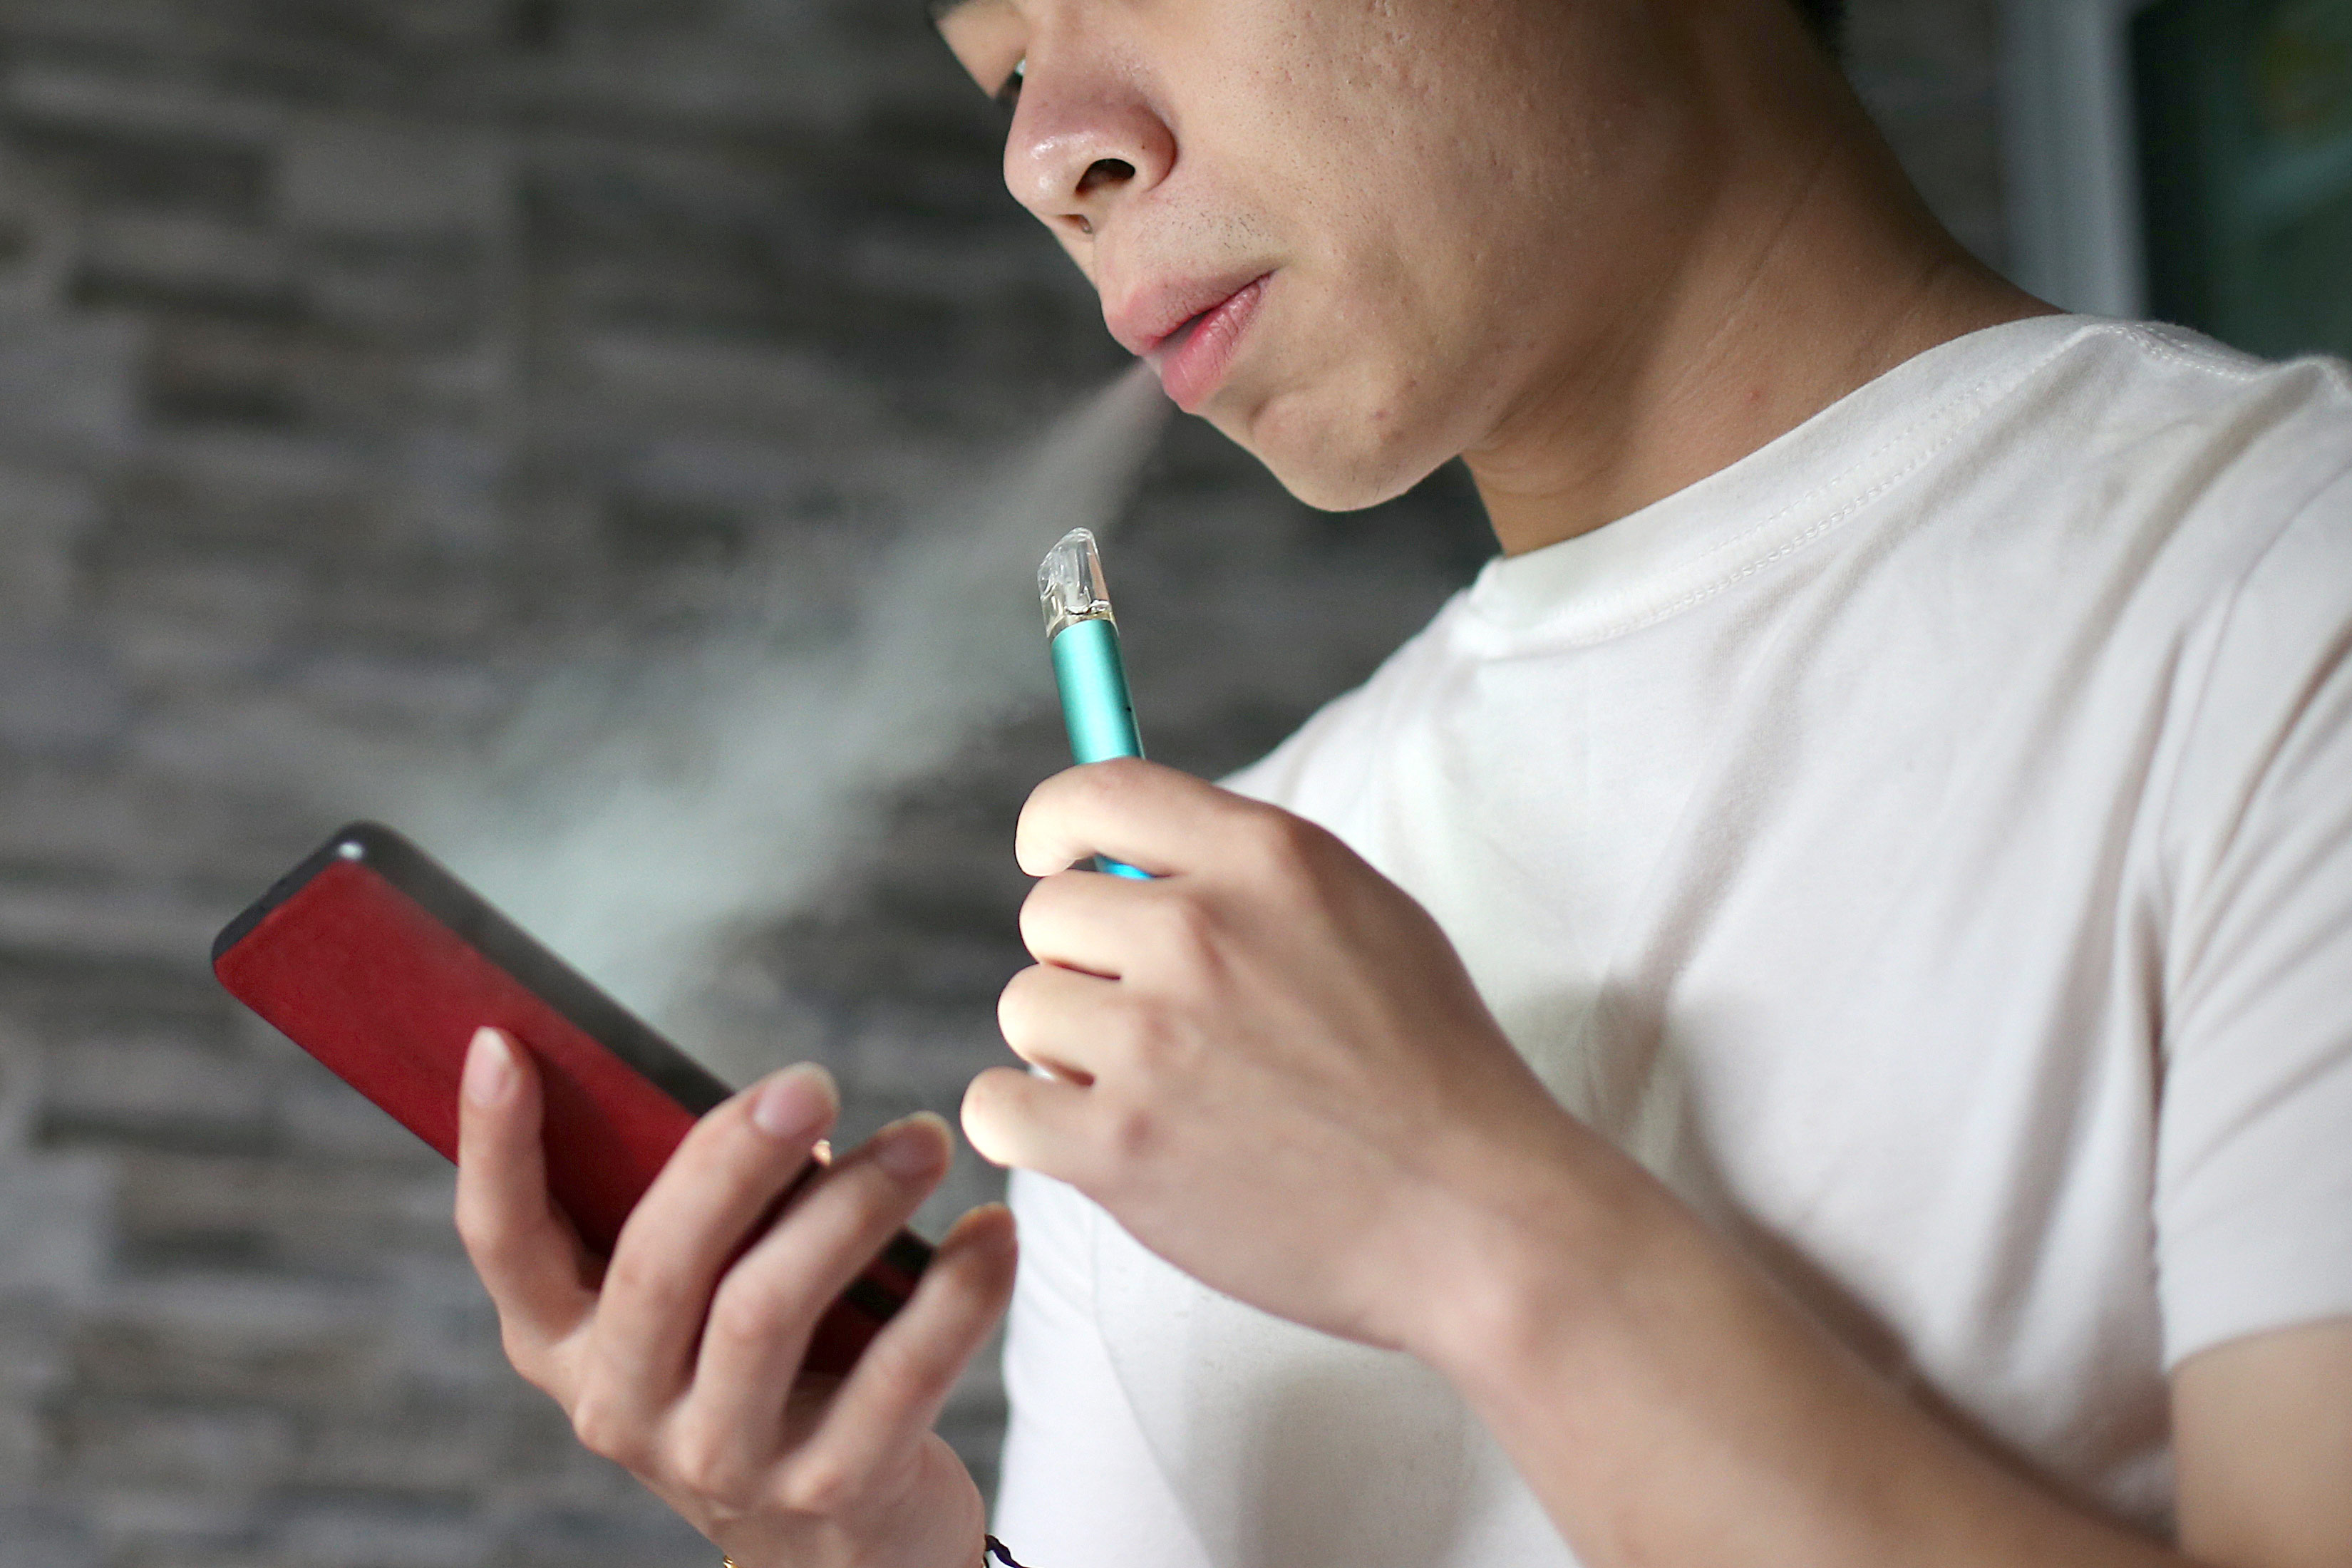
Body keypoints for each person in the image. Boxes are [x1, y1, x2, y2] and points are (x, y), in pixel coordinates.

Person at [448, 0, 2352, 1563]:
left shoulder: (2281, 591)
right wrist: (852, 1549)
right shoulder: (1214, 951)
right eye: (1005, 69)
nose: (1049, 154)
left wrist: (1468, 1220)